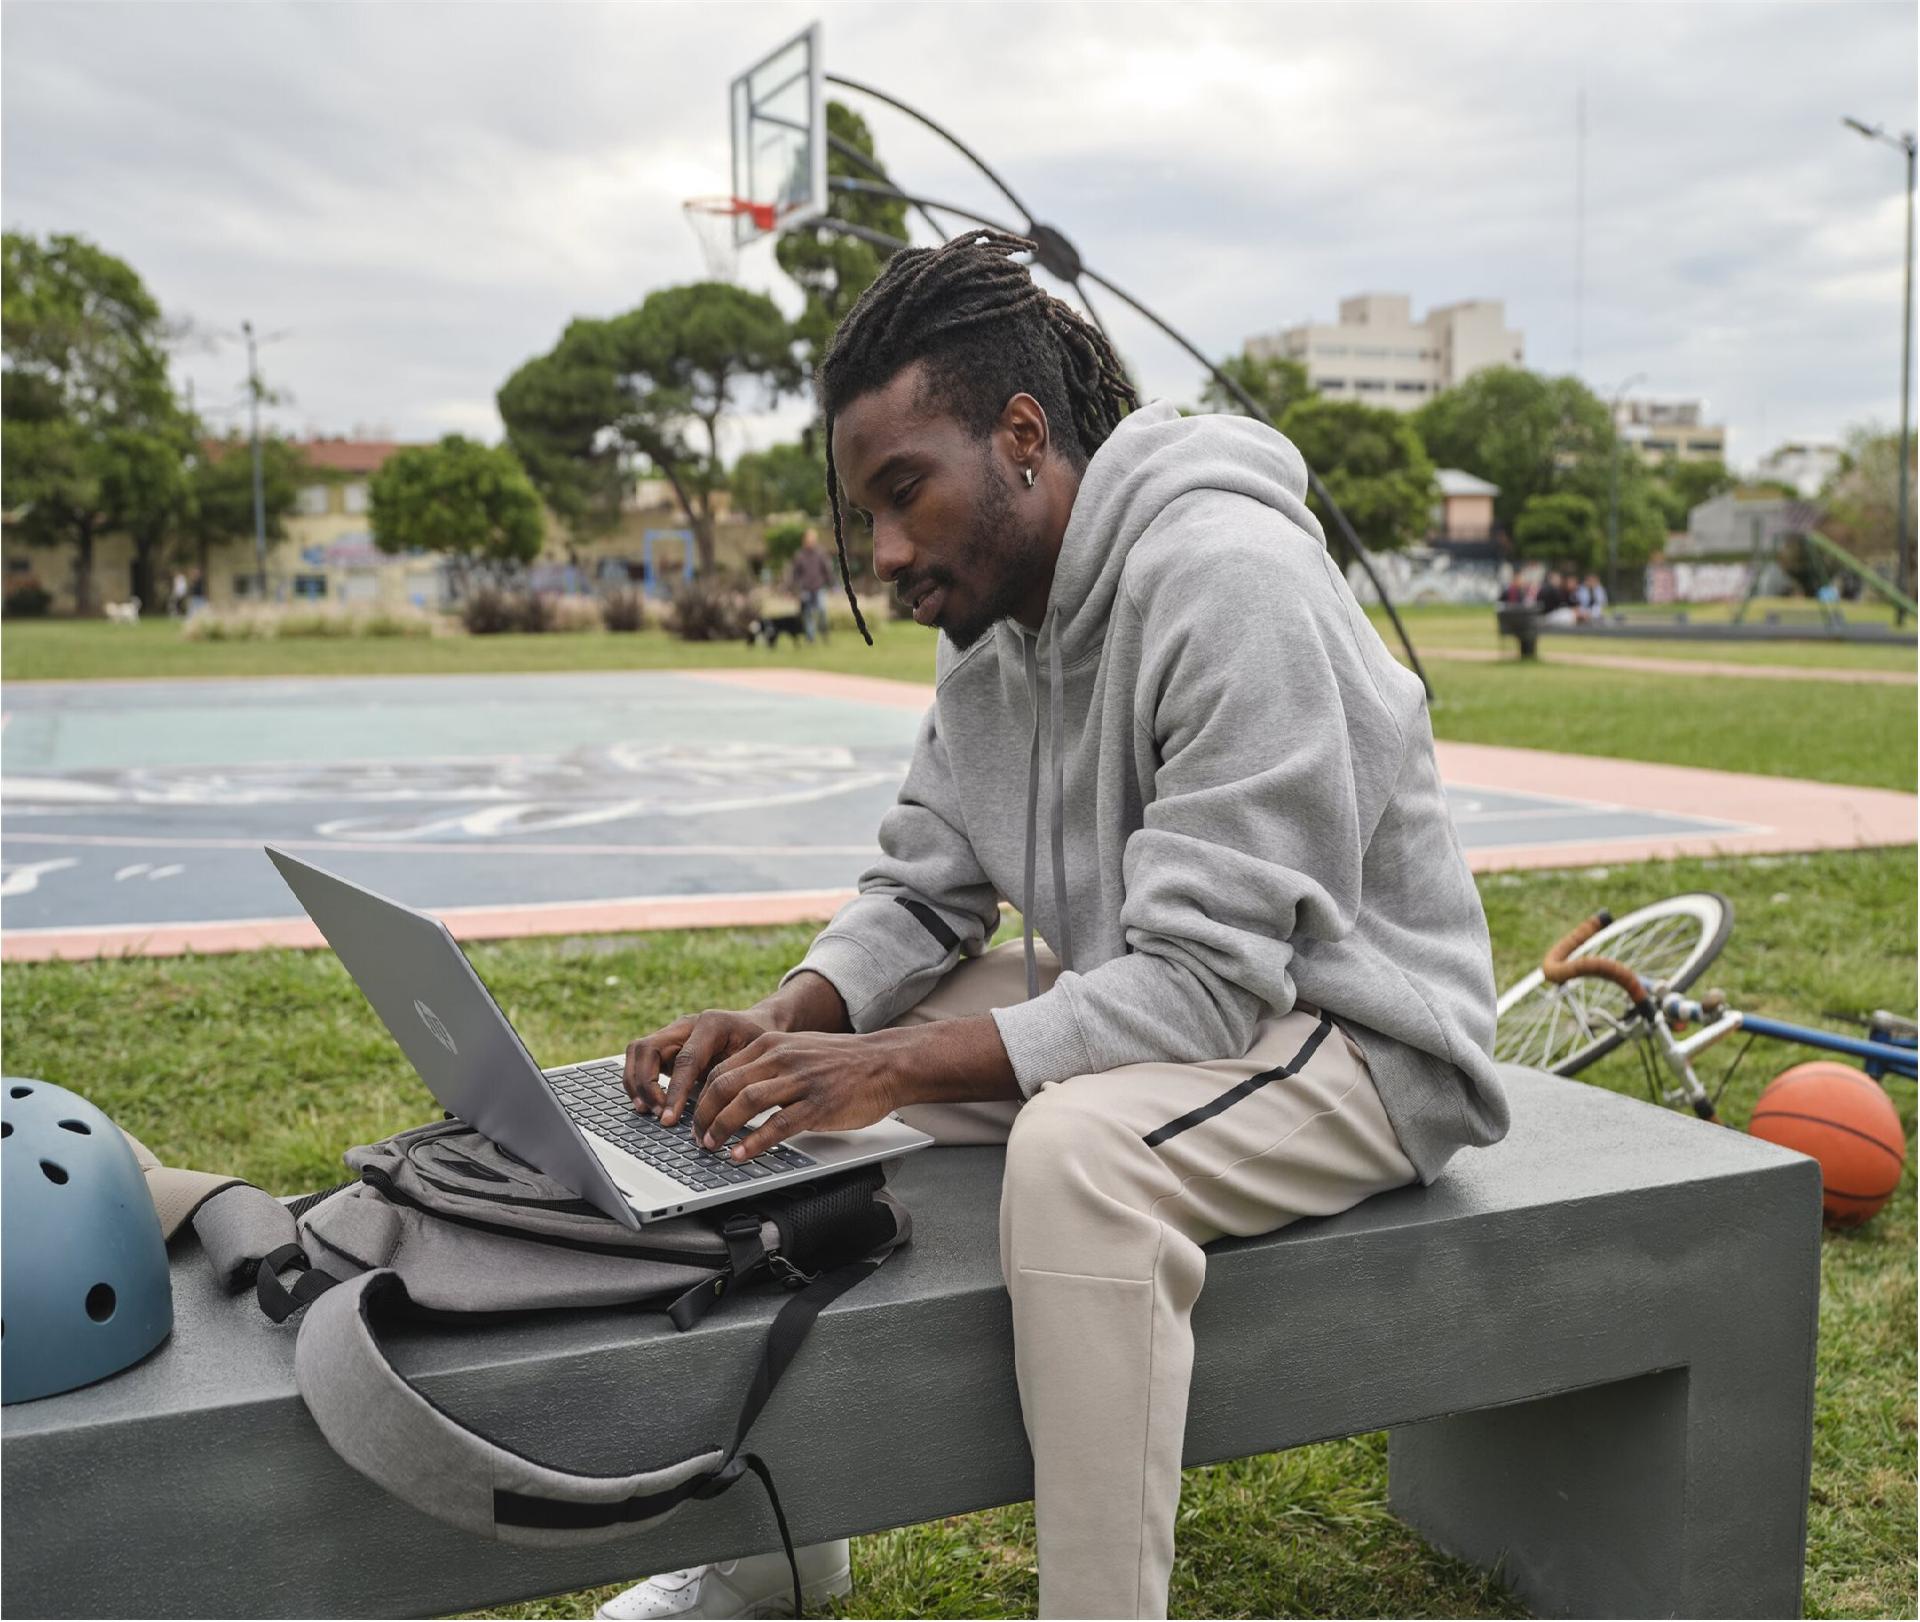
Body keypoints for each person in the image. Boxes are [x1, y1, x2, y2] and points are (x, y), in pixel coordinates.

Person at [599, 231, 1508, 1622]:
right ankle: (778, 1544)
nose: (885, 554)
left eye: (906, 493)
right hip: (1180, 990)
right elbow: (922, 888)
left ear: (1022, 437)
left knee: (1079, 1153)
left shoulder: (1230, 577)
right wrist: (795, 1020)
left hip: (1360, 1031)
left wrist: (889, 1066)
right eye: (865, 514)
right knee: (772, 1093)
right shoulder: (989, 633)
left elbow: (1206, 986)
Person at [786, 527, 834, 642]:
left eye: (812, 539)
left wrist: (831, 583)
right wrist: (792, 589)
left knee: (822, 611)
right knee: (807, 614)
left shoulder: (821, 554)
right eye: (808, 539)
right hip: (805, 589)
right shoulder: (799, 555)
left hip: (819, 587)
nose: (810, 541)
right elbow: (795, 573)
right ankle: (810, 637)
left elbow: (827, 570)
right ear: (804, 540)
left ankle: (824, 633)